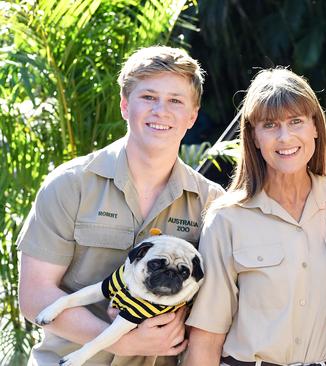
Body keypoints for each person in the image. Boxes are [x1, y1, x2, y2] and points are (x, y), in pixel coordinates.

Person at [17, 46, 224, 366]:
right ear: (125, 105)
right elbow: (35, 296)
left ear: (192, 116)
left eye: (175, 101)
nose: (161, 111)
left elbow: (216, 306)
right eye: (148, 97)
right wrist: (120, 340)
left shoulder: (211, 202)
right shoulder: (70, 185)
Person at [184, 68, 326, 366]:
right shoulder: (227, 219)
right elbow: (206, 336)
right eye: (270, 125)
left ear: (315, 127)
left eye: (296, 121)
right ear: (254, 137)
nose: (285, 137)